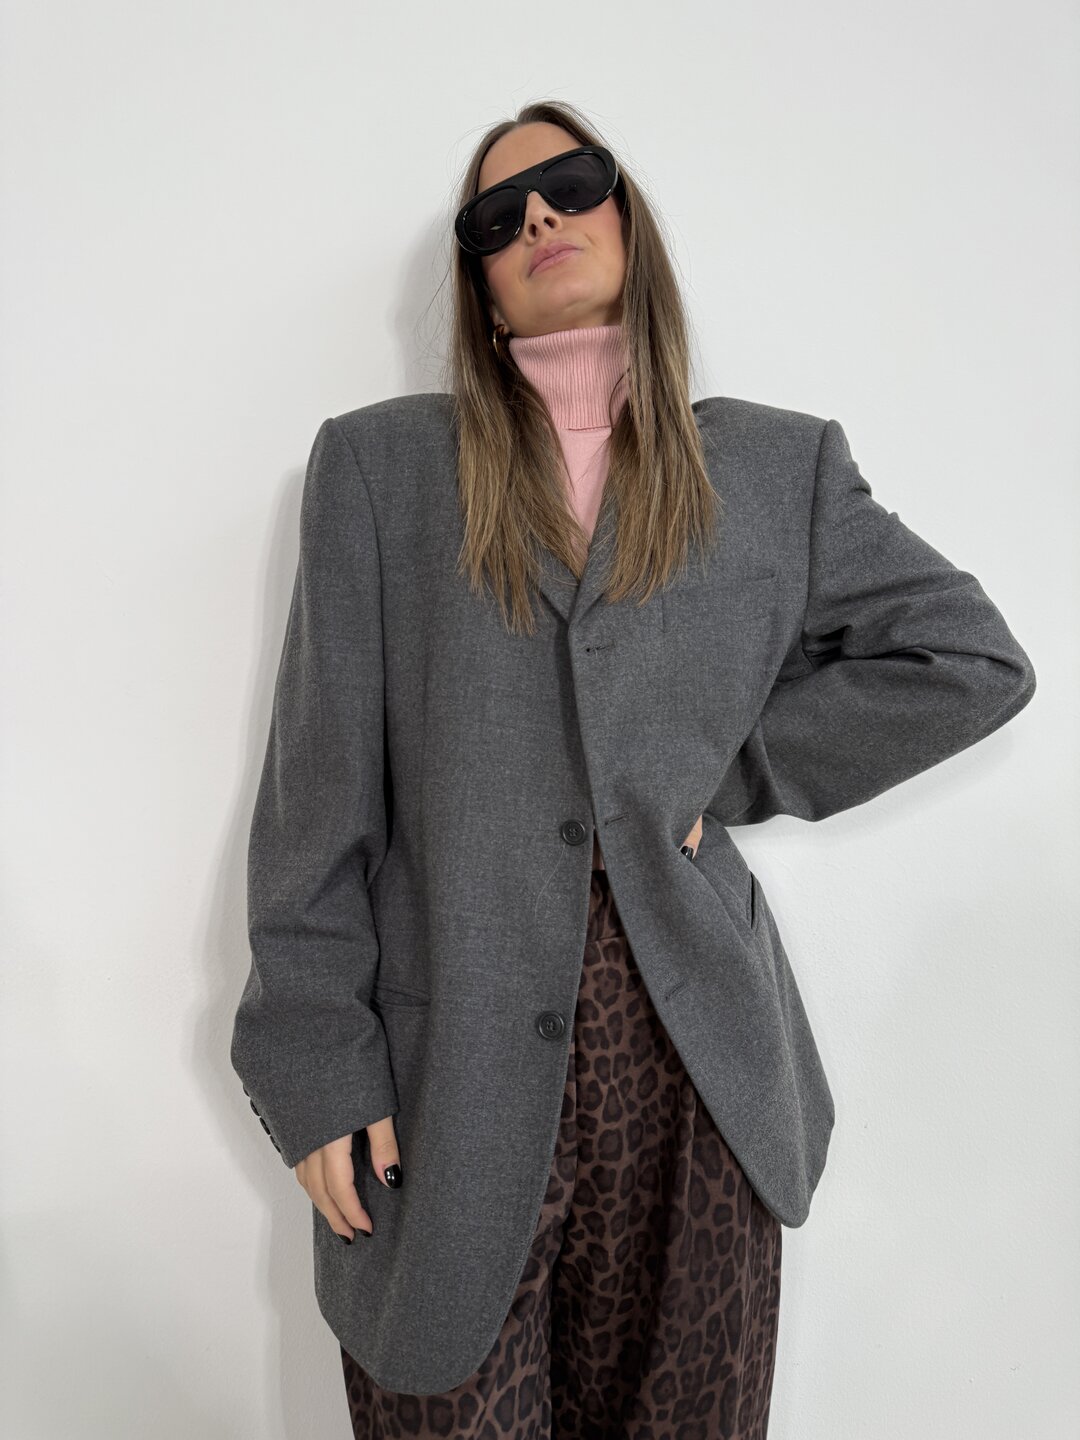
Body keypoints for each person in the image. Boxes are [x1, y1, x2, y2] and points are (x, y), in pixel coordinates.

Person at [230, 100, 1037, 1438]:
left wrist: (728, 773)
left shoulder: (775, 469)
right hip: (446, 1086)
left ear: (625, 215)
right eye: (499, 216)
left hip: (698, 1082)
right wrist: (317, 1064)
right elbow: (316, 805)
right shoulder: (381, 472)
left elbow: (968, 659)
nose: (539, 217)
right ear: (480, 284)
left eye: (570, 182)